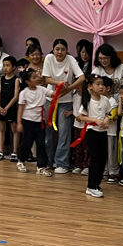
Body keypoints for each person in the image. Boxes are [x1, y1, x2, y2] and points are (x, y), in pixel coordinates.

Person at [42, 39, 84, 173]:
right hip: (51, 99)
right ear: (53, 50)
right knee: (49, 133)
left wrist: (68, 89)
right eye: (57, 49)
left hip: (66, 101)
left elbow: (82, 78)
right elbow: (47, 79)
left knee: (64, 133)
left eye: (63, 49)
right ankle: (48, 161)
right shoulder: (49, 58)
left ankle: (62, 163)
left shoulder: (71, 59)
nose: (60, 52)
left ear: (67, 50)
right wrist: (60, 84)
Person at [76, 75, 112, 198]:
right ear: (90, 86)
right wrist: (95, 120)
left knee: (102, 158)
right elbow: (81, 117)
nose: (101, 87)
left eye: (102, 84)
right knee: (95, 159)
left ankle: (97, 183)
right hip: (92, 132)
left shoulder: (105, 100)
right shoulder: (87, 101)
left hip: (102, 132)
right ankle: (91, 186)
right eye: (98, 84)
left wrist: (106, 120)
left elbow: (108, 113)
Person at [16, 69, 52, 175]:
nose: (37, 79)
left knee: (41, 144)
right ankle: (21, 161)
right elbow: (20, 109)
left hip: (40, 121)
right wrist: (19, 123)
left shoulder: (42, 89)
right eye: (34, 77)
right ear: (27, 81)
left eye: (37, 76)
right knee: (26, 143)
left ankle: (41, 166)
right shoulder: (24, 93)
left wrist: (62, 87)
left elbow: (53, 94)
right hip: (28, 121)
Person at [0, 56, 20, 161]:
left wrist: (6, 108)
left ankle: (14, 152)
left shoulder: (16, 80)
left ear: (13, 67)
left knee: (14, 129)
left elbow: (16, 96)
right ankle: (0, 151)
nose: (5, 68)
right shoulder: (1, 79)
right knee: (2, 129)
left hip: (10, 107)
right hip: (1, 107)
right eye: (4, 65)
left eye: (8, 65)